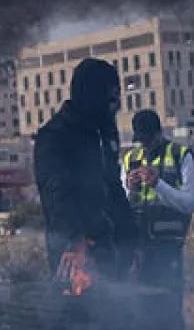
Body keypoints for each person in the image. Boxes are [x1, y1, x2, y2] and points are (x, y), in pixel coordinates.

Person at [35, 58, 137, 283]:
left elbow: (114, 186)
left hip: (113, 248)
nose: (115, 104)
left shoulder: (105, 132)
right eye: (110, 97)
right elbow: (56, 193)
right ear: (91, 95)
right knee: (83, 314)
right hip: (76, 252)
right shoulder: (54, 136)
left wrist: (131, 239)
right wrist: (74, 241)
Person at [122, 109, 194, 330]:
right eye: (141, 140)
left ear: (160, 133)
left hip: (168, 247)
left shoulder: (180, 154)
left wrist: (158, 185)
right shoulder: (129, 159)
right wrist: (130, 189)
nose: (145, 145)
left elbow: (189, 203)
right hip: (137, 248)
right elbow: (124, 204)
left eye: (149, 139)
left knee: (168, 304)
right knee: (139, 306)